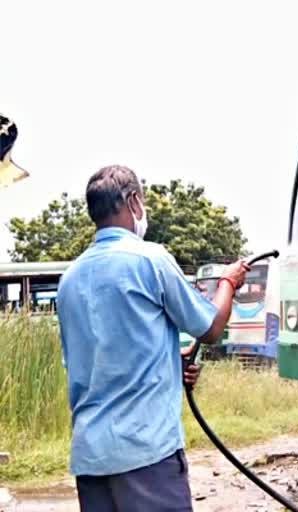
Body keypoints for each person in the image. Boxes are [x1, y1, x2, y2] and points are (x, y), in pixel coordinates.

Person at [57, 165, 249, 511]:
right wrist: (228, 283)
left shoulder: (70, 279)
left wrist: (170, 365)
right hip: (146, 454)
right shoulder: (150, 260)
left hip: (91, 457)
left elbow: (92, 361)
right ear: (133, 202)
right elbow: (210, 326)